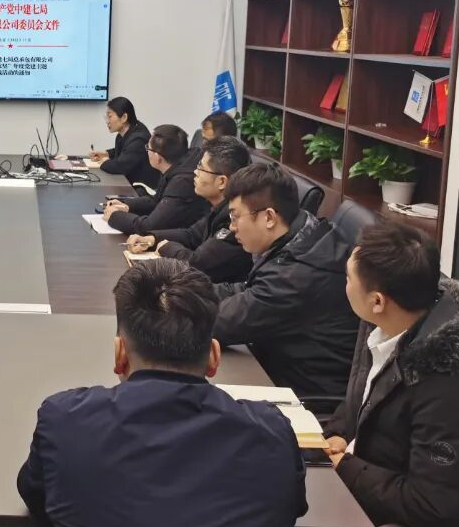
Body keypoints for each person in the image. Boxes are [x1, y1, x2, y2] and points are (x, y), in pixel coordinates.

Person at [17, 259, 306, 527]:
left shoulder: (66, 421)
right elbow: (290, 510)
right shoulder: (273, 432)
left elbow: (39, 500)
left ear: (120, 354)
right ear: (214, 357)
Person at [324, 222, 459, 527]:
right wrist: (340, 433)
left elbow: (433, 505)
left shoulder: (455, 387)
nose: (343, 285)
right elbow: (367, 398)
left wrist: (345, 467)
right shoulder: (392, 325)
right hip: (365, 493)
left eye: (348, 278)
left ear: (377, 301)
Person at [215, 163, 358, 397]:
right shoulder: (304, 235)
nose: (231, 228)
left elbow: (219, 323)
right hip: (276, 367)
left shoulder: (296, 275)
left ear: (269, 217)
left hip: (304, 397)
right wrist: (182, 290)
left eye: (235, 216)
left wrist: (165, 305)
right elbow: (246, 291)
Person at [126, 135, 252, 284]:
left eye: (201, 168)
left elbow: (197, 264)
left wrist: (168, 247)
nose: (195, 172)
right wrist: (152, 238)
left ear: (222, 182)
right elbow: (191, 235)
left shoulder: (234, 219)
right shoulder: (219, 208)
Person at [103, 124, 208, 235]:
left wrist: (114, 216)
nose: (147, 152)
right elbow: (157, 201)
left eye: (148, 148)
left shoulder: (182, 182)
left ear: (158, 158)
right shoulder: (177, 165)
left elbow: (149, 226)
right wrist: (126, 205)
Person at [87, 97, 160, 188]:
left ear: (124, 117)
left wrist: (104, 162)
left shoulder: (139, 138)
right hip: (129, 183)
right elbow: (126, 150)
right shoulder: (126, 132)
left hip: (142, 189)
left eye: (110, 116)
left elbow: (120, 166)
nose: (107, 122)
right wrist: (106, 154)